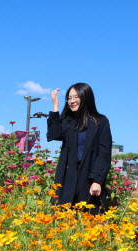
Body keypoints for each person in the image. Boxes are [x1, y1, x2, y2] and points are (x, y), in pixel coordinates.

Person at [47, 83, 112, 215]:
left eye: (76, 97)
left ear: (86, 97)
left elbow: (104, 153)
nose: (72, 101)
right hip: (67, 177)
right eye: (69, 98)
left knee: (90, 221)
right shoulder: (67, 121)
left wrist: (97, 180)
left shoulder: (100, 122)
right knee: (62, 219)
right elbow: (54, 135)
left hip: (89, 178)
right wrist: (55, 107)